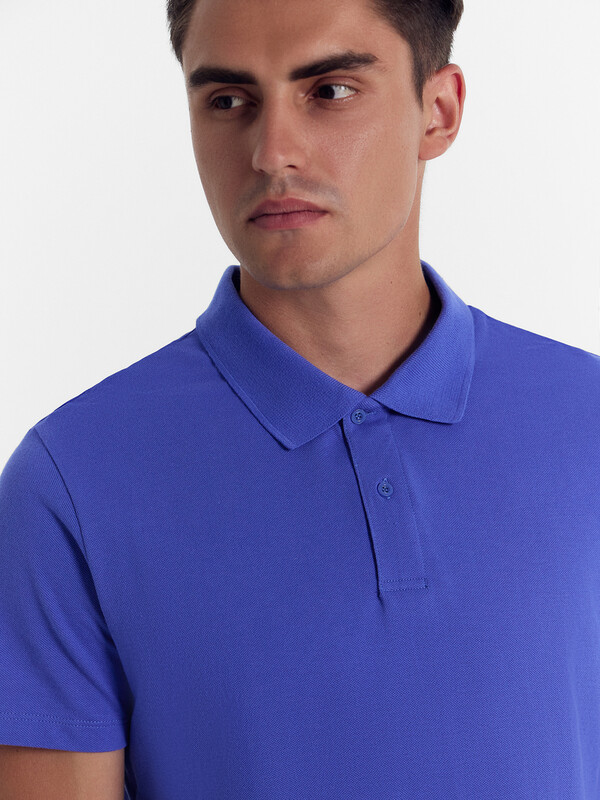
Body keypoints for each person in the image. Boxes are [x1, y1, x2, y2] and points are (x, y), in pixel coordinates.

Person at [0, 0, 598, 797]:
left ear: (439, 110)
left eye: (330, 91)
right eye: (228, 100)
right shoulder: (70, 485)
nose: (271, 152)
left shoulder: (586, 420)